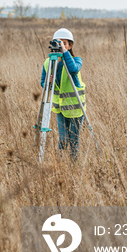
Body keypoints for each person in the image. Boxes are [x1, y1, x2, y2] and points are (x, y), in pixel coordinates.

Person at [40, 28, 86, 161]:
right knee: (63, 140)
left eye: (64, 43)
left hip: (76, 108)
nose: (61, 45)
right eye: (58, 43)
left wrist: (64, 52)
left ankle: (73, 164)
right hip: (60, 108)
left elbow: (72, 69)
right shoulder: (49, 62)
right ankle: (60, 164)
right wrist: (47, 83)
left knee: (73, 140)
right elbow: (43, 83)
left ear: (70, 45)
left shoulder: (77, 60)